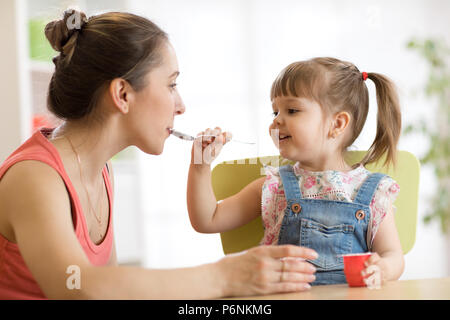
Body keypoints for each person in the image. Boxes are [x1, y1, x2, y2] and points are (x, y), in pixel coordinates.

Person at [0, 10, 318, 299]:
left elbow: (109, 285)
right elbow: (76, 286)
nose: (180, 105)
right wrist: (224, 276)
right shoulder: (35, 177)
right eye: (171, 85)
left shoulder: (100, 169)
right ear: (123, 94)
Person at [187, 57, 405, 286]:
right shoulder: (274, 187)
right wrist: (200, 165)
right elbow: (207, 220)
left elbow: (393, 256)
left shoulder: (372, 192)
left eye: (291, 110)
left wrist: (383, 268)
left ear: (337, 124)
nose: (277, 121)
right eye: (275, 112)